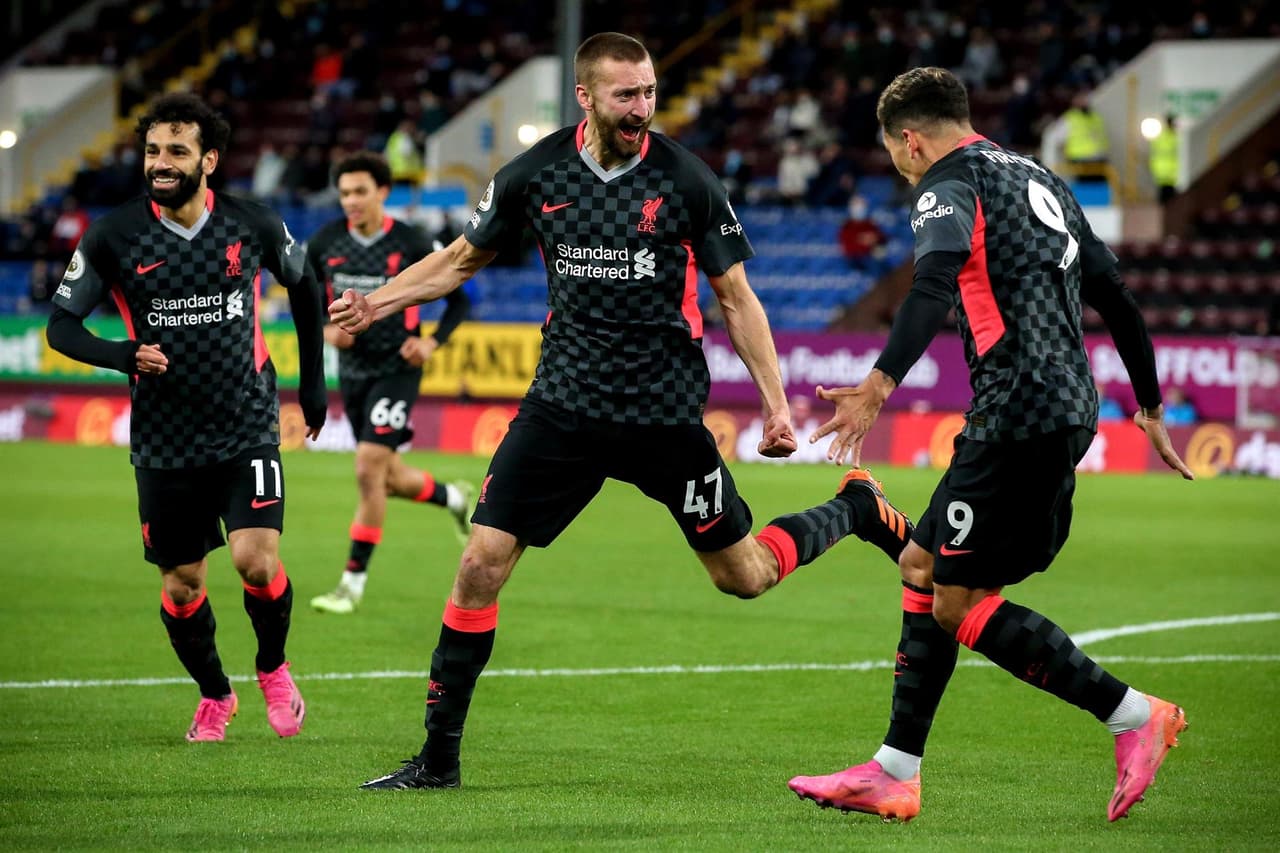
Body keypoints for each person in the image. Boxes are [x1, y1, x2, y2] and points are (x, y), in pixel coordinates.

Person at [329, 32, 915, 790]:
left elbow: (736, 297)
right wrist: (374, 304)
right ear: (586, 97)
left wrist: (775, 406)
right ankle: (437, 760)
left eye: (649, 93)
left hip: (664, 418)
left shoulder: (685, 180)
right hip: (561, 409)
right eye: (626, 95)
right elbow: (459, 260)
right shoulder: (537, 173)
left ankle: (855, 505)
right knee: (478, 563)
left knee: (742, 575)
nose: (642, 108)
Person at [787, 68, 1195, 823]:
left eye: (895, 153)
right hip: (1058, 407)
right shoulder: (1041, 177)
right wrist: (1150, 403)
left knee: (956, 601)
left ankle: (1134, 714)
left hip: (1018, 412)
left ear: (911, 140)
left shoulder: (946, 182)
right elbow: (1118, 297)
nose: (902, 166)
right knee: (923, 566)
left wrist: (878, 384)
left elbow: (933, 281)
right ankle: (894, 769)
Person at [44, 92, 327, 742]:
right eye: (152, 151)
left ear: (209, 159)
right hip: (166, 439)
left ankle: (273, 666)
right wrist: (121, 354)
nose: (161, 163)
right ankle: (214, 694)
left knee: (255, 559)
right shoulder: (114, 235)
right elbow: (61, 325)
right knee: (180, 584)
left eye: (176, 151)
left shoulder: (250, 223)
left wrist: (313, 385)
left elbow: (305, 283)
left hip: (247, 420)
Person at [306, 152, 475, 615]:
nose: (351, 201)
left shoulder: (412, 241)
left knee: (366, 471)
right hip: (354, 373)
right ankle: (454, 497)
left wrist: (431, 343)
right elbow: (309, 305)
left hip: (398, 371)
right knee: (388, 477)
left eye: (360, 191)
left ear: (383, 192)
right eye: (344, 193)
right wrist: (326, 330)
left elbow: (460, 302)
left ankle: (351, 584)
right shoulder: (325, 243)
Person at [1148, 114, 1179, 204]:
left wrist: (1153, 167)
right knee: (1171, 199)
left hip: (1160, 172)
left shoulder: (1159, 137)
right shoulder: (1177, 138)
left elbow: (1153, 154)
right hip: (1172, 173)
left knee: (1162, 198)